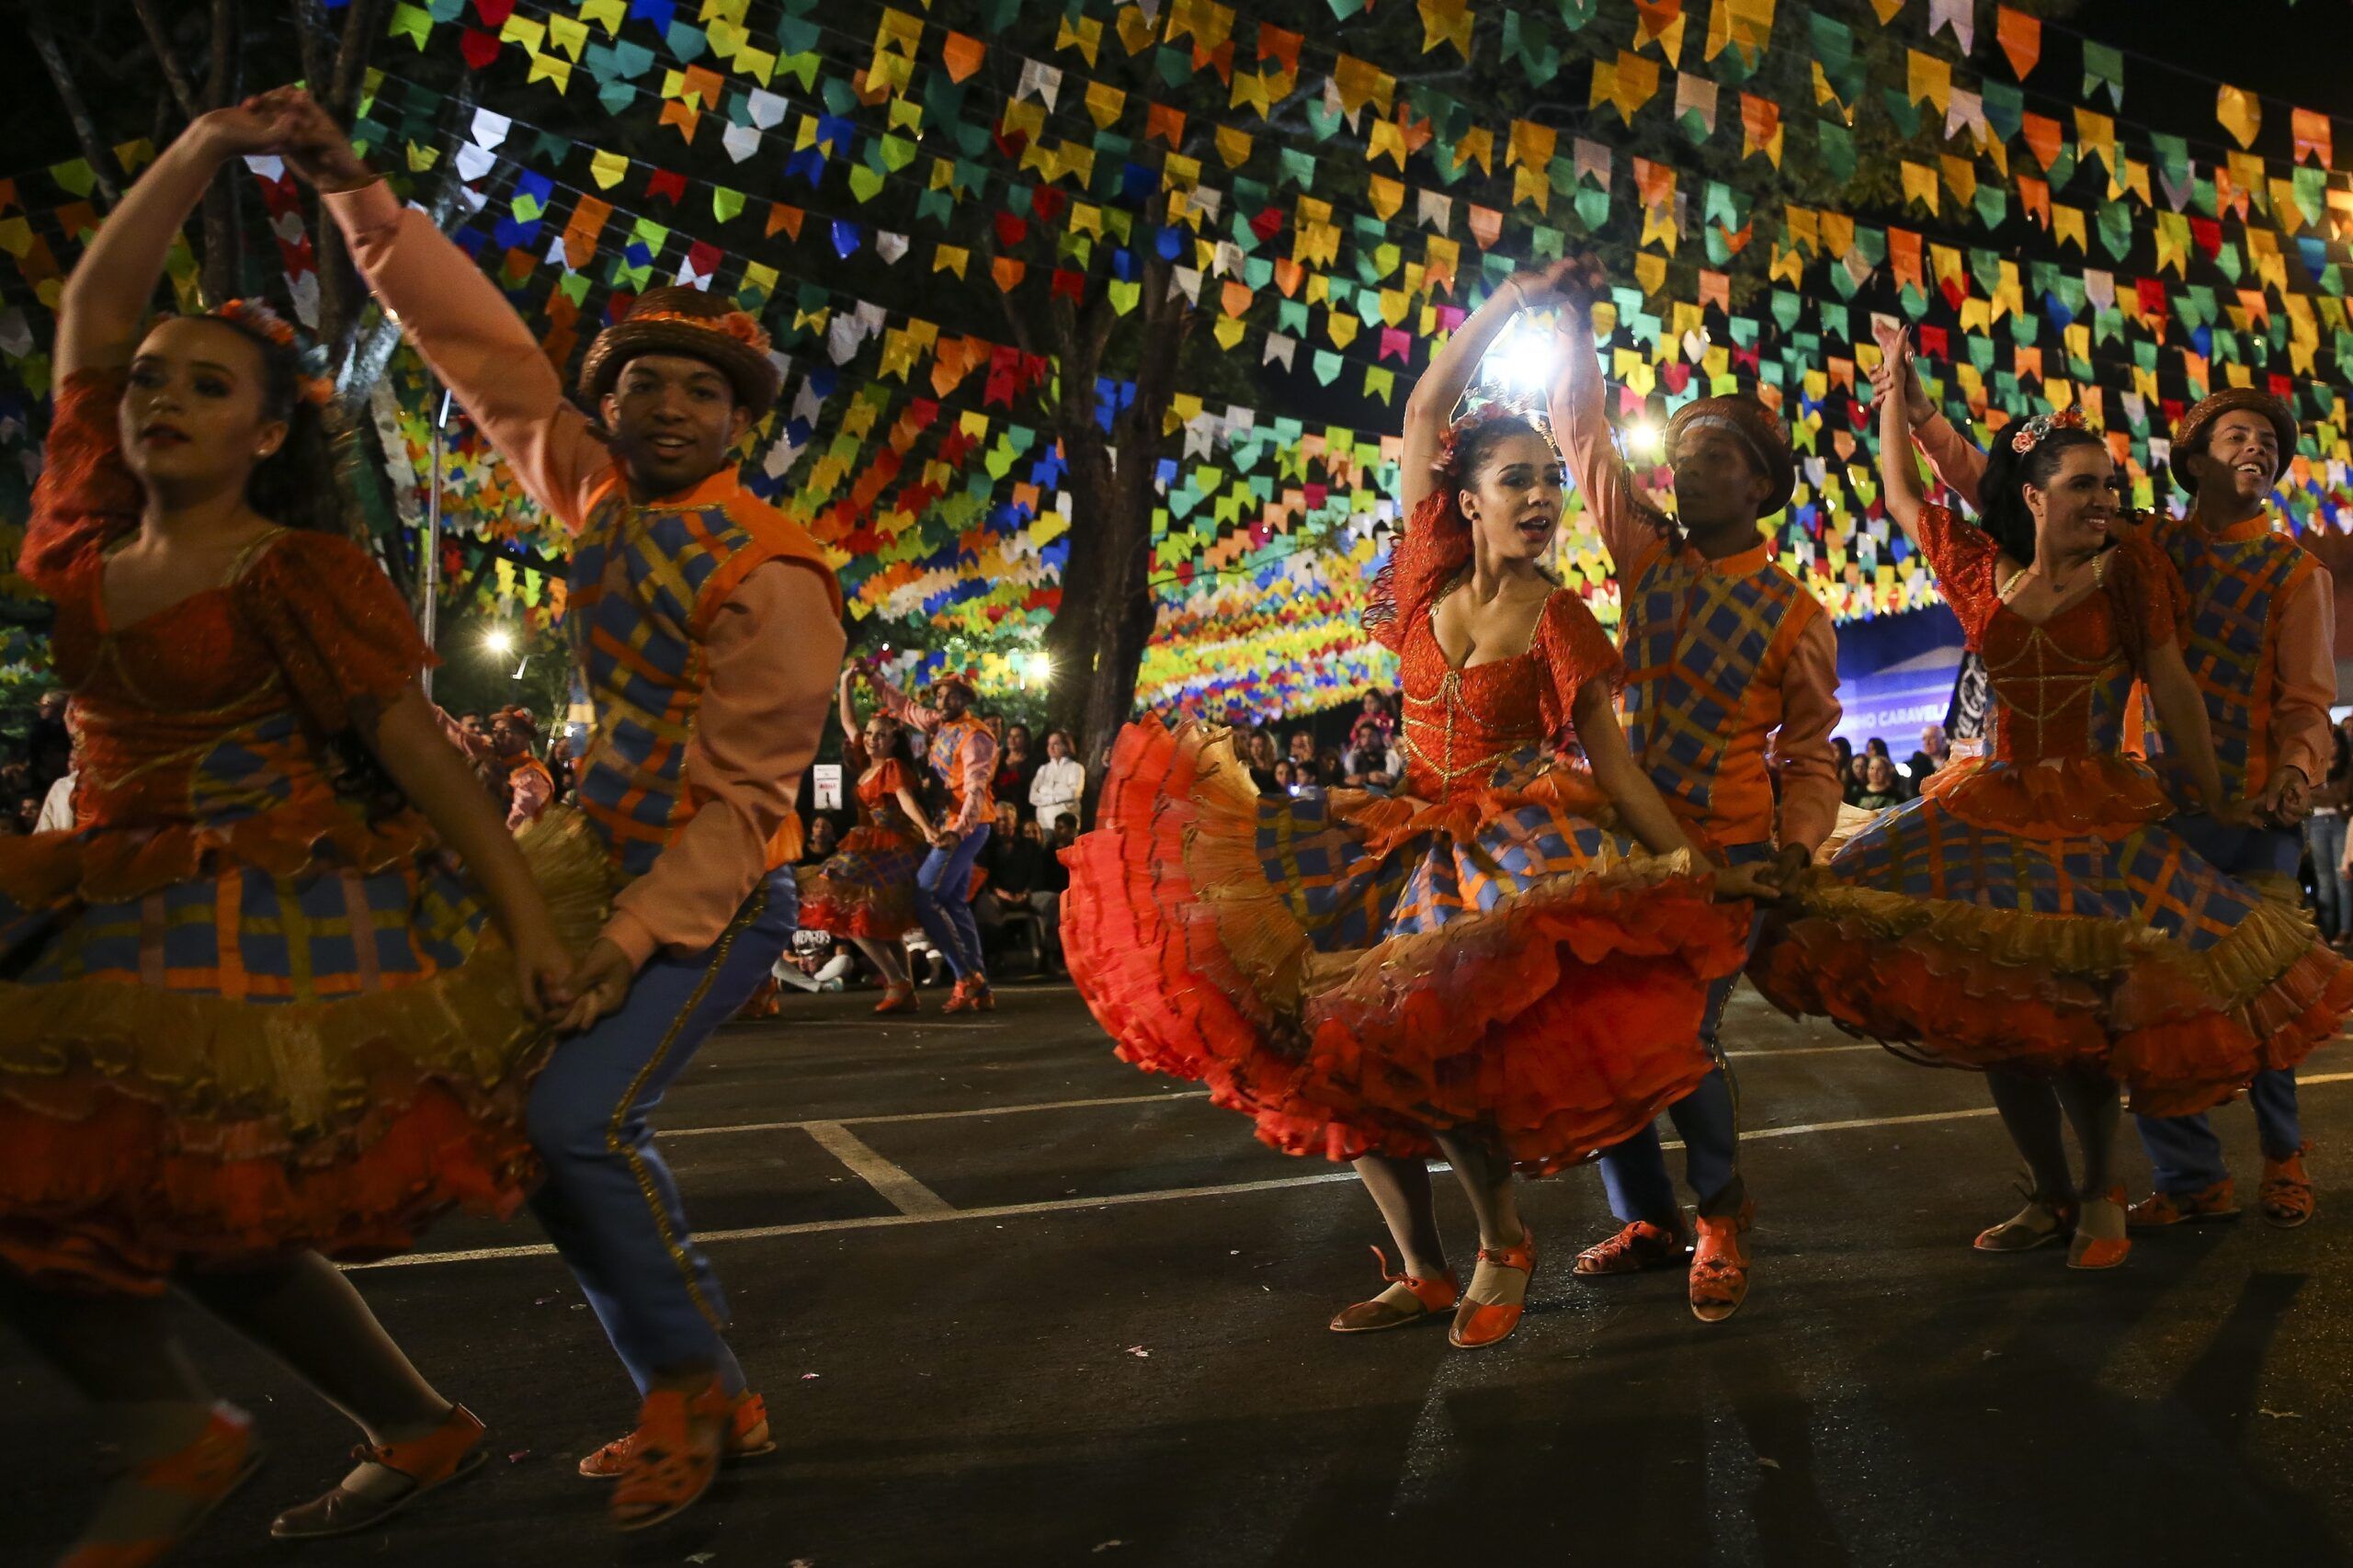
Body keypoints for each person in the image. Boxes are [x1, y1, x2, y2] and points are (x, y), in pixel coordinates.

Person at [1, 100, 609, 1563]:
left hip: (269, 904)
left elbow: (420, 751)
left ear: (268, 433)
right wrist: (205, 145)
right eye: (148, 384)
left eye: (203, 388)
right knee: (169, 1197)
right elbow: (92, 306)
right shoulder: (88, 538)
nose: (156, 400)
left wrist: (530, 928)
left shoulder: (297, 569)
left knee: (137, 1185)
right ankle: (405, 1422)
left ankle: (185, 1434)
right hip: (112, 891)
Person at [282, 87, 845, 1529]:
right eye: (643, 382)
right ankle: (702, 1380)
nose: (666, 406)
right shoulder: (595, 495)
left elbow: (742, 801)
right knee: (538, 1133)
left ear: (740, 420)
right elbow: (485, 362)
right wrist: (357, 198)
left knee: (576, 1122)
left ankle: (691, 1392)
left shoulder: (774, 569)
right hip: (589, 854)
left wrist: (624, 939)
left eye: (701, 392)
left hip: (717, 893)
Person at [1063, 259, 1767, 1352]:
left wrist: (1690, 866)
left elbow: (1617, 771)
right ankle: (1424, 1265)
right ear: (1467, 496)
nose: (1540, 498)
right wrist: (1514, 298)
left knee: (1440, 1056)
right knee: (1321, 1045)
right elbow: (1426, 407)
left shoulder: (1565, 622)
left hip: (1502, 853)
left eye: (1549, 479)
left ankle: (1501, 1241)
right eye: (1516, 479)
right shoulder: (1425, 575)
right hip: (1389, 835)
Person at [1759, 326, 2352, 1273]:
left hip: (2107, 810)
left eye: (2112, 485)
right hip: (1986, 809)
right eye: (2084, 485)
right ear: (2034, 498)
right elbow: (1917, 490)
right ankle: (2061, 1189)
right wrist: (1893, 395)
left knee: (2139, 1012)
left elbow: (2180, 686)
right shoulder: (1988, 570)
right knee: (2004, 1012)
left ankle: (2153, 1182)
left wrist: (2227, 791)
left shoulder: (2147, 569)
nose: (2106, 500)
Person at [1901, 360, 2344, 1235]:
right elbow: (2014, 488)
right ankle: (2191, 1177)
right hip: (2149, 808)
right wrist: (1919, 418)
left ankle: (2284, 1157)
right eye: (2236, 435)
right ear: (2195, 459)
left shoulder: (2297, 575)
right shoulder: (2146, 545)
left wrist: (2295, 772)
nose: (2257, 447)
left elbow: (2306, 702)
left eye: (2270, 441)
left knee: (2260, 988)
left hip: (2253, 811)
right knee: (2150, 1001)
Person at [1547, 265, 1842, 1322]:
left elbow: (1812, 754)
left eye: (1715, 456)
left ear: (1758, 482)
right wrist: (1572, 328)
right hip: (1618, 840)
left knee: (1680, 1036)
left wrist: (1798, 847)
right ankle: (1647, 1216)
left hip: (1725, 858)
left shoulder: (1799, 615)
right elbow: (1582, 442)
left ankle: (1718, 1211)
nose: (1688, 469)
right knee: (1597, 1025)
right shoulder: (1644, 561)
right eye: (1680, 455)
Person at [799, 673, 931, 1013]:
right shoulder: (865, 763)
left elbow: (906, 802)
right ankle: (907, 990)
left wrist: (928, 830)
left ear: (894, 739)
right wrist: (843, 681)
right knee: (882, 918)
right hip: (868, 842)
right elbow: (847, 720)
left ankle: (897, 981)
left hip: (893, 844)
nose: (872, 739)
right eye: (870, 734)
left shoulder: (892, 767)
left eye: (881, 735)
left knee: (849, 908)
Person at [869, 670, 998, 1013]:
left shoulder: (976, 737)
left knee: (925, 896)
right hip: (951, 825)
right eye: (939, 696)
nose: (941, 703)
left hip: (966, 826)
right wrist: (873, 678)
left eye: (950, 696)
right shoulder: (940, 724)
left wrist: (958, 831)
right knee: (954, 903)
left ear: (965, 700)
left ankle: (965, 976)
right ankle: (980, 985)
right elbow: (904, 708)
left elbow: (976, 790)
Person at [490, 708, 556, 831]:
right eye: (495, 731)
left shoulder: (531, 774)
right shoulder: (495, 763)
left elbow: (519, 819)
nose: (497, 737)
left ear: (525, 739)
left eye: (506, 732)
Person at [1029, 728, 1086, 830]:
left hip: (1066, 826)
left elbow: (1073, 793)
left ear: (1066, 746)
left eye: (1056, 744)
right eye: (1049, 744)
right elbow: (1032, 797)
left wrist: (1045, 791)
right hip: (1044, 824)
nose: (1051, 747)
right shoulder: (1043, 769)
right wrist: (1059, 794)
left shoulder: (1076, 767)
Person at [995, 722, 1037, 823]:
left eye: (1017, 736)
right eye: (1010, 736)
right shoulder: (999, 758)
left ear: (1026, 740)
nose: (1012, 740)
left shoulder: (1032, 763)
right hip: (997, 809)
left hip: (1023, 810)